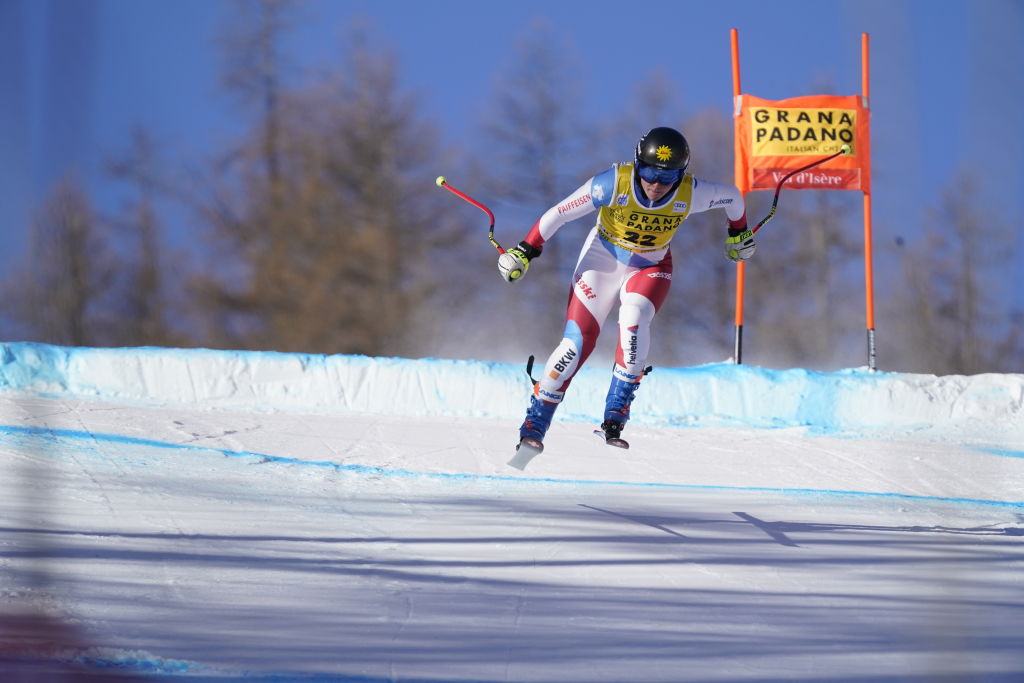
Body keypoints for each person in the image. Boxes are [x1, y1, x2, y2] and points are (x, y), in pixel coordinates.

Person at [497, 126, 756, 455]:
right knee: (574, 346)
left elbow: (733, 198)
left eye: (668, 177)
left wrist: (738, 233)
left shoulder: (692, 193)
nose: (656, 184)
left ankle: (615, 417)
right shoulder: (613, 183)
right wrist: (525, 251)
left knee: (633, 320)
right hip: (602, 259)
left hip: (650, 267)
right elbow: (558, 214)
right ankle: (535, 424)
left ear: (682, 175)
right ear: (636, 164)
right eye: (648, 172)